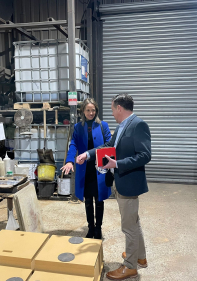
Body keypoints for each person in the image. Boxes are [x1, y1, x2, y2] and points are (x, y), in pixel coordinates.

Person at [77, 94, 151, 280]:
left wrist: (117, 164)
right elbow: (109, 145)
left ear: (119, 108)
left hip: (130, 183)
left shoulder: (138, 125)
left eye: (112, 109)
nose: (112, 112)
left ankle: (130, 266)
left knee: (129, 227)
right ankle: (139, 257)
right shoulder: (122, 126)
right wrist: (88, 154)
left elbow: (145, 155)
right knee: (134, 222)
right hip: (122, 181)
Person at [61, 98, 112, 239]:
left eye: (93, 110)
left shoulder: (103, 126)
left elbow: (109, 143)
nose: (91, 113)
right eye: (88, 110)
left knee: (99, 199)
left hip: (100, 168)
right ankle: (90, 228)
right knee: (88, 200)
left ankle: (98, 228)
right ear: (83, 111)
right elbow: (73, 145)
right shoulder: (78, 127)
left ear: (96, 111)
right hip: (85, 169)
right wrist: (70, 161)